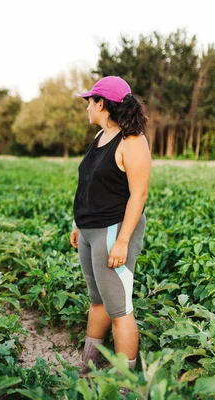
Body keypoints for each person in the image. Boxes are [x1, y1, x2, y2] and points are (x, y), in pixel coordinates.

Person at [71, 76, 151, 374]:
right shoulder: (101, 137)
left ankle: (123, 381)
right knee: (98, 301)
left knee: (119, 309)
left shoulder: (132, 141)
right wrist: (77, 222)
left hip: (113, 231)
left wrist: (122, 240)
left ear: (101, 103)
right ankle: (87, 366)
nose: (87, 108)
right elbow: (89, 183)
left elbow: (139, 194)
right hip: (90, 230)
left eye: (89, 101)